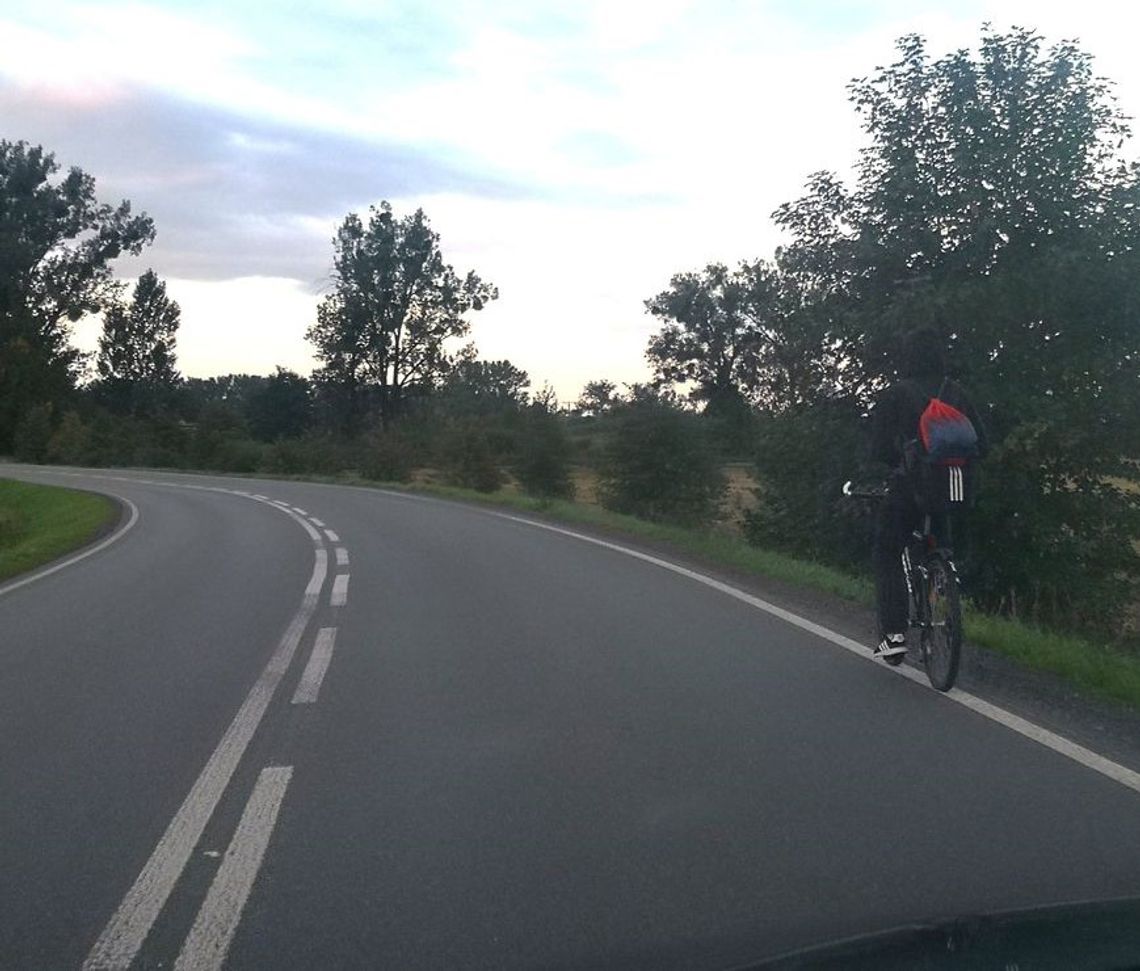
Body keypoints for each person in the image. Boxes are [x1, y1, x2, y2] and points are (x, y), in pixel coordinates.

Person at [867, 326, 988, 659]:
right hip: (954, 489)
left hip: (910, 489)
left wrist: (896, 465)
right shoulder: (957, 392)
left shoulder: (897, 394)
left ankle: (894, 634)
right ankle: (941, 585)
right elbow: (983, 443)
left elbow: (878, 449)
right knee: (941, 542)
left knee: (887, 552)